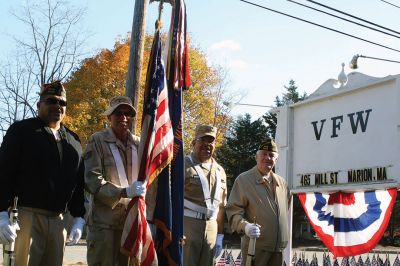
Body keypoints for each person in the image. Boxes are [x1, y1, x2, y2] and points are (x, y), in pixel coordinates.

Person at [0, 81, 86, 266]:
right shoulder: (22, 131)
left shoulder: (73, 141)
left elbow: (78, 182)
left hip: (59, 221)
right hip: (27, 217)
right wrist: (1, 213)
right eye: (51, 101)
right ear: (39, 105)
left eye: (62, 103)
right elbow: (3, 171)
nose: (57, 106)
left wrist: (79, 216)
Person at [84, 96, 146, 266]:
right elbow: (92, 180)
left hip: (132, 223)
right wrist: (123, 192)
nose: (124, 118)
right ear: (108, 117)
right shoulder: (97, 140)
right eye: (118, 113)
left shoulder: (139, 144)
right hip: (105, 225)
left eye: (128, 114)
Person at [226, 138, 290, 266]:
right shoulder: (244, 180)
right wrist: (245, 226)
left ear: (276, 160)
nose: (267, 157)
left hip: (278, 251)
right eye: (263, 154)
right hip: (256, 249)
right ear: (256, 157)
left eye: (271, 155)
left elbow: (284, 209)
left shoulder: (282, 183)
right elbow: (233, 211)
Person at [183, 124, 227, 266]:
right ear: (194, 142)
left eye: (211, 141)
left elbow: (221, 207)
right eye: (203, 140)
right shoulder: (182, 165)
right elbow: (171, 201)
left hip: (212, 229)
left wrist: (220, 235)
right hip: (188, 226)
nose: (207, 144)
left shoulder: (220, 171)